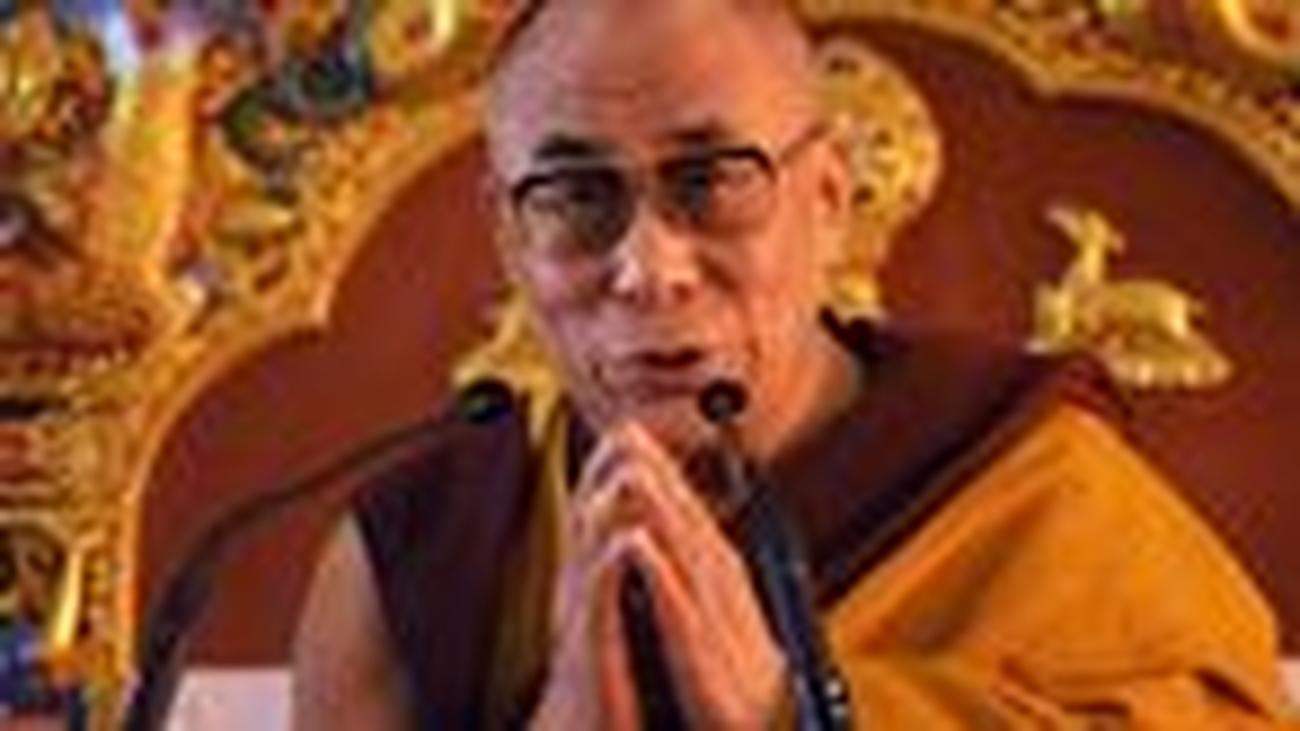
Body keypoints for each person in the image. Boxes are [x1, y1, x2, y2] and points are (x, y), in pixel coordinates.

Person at [292, 0, 1293, 728]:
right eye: (575, 195)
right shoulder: (410, 558)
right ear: (512, 237)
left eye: (711, 181)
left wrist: (799, 710)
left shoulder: (1032, 489)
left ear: (827, 200)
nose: (649, 269)